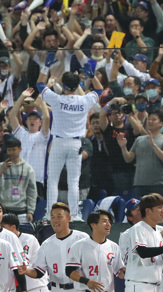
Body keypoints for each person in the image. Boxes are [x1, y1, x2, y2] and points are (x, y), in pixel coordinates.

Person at [38, 68, 102, 221]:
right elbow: (99, 90)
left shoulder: (57, 99)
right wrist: (92, 76)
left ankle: (50, 214)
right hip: (76, 144)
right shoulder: (84, 100)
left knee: (53, 180)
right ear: (78, 84)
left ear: (63, 85)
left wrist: (45, 67)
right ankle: (74, 215)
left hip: (58, 143)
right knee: (74, 182)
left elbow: (40, 84)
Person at [0, 138, 37, 222]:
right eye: (9, 150)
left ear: (20, 149)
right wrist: (1, 171)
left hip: (21, 210)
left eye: (14, 149)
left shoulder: (28, 168)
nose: (12, 152)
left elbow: (32, 191)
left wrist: (30, 211)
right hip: (4, 208)